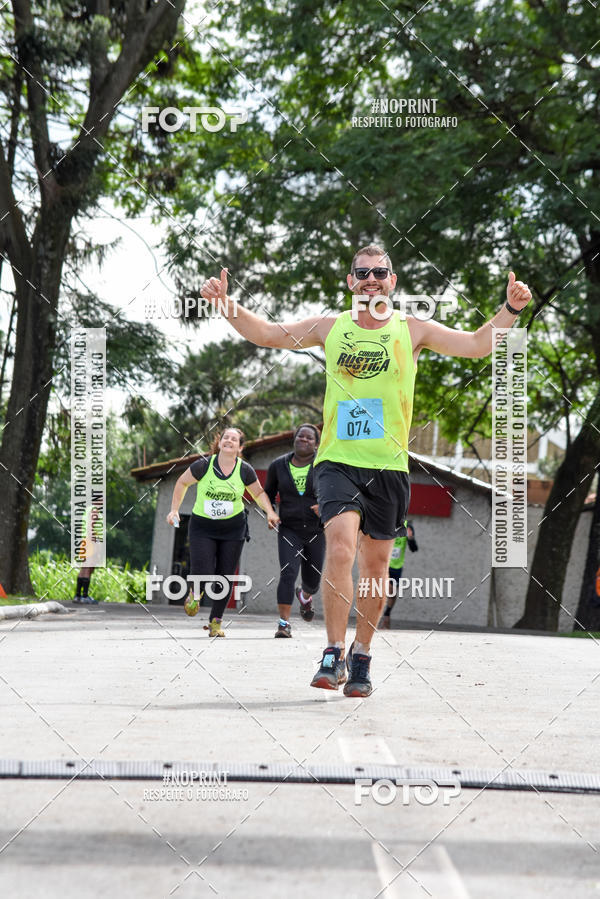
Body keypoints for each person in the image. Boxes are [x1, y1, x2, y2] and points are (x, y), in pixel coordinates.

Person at [200, 246, 531, 690]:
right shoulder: (331, 327)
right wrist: (225, 303)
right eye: (363, 272)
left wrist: (510, 308)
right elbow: (267, 333)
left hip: (390, 468)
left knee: (376, 568)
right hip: (338, 462)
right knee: (339, 549)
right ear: (351, 280)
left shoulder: (412, 329)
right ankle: (332, 653)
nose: (371, 278)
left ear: (392, 281)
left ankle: (362, 656)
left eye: (380, 272)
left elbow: (475, 345)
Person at [167, 427, 280, 636]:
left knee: (225, 576)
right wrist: (174, 509)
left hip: (232, 529)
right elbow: (182, 482)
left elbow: (258, 493)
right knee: (203, 570)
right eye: (225, 438)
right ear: (219, 444)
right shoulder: (203, 465)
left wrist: (270, 512)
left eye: (234, 439)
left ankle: (215, 623)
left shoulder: (245, 470)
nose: (229, 441)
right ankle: (195, 592)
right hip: (203, 527)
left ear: (240, 447)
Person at [264, 423, 325, 637]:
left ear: (316, 444)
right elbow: (267, 495)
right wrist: (270, 513)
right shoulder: (278, 465)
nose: (304, 440)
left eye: (309, 438)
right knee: (288, 573)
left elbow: (335, 491)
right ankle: (283, 624)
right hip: (289, 529)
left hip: (317, 530)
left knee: (313, 580)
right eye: (301, 436)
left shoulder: (324, 465)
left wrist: (324, 507)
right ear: (294, 438)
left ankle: (305, 597)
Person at [379, 520, 418, 629]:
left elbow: (414, 549)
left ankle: (387, 614)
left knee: (392, 592)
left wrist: (411, 538)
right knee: (381, 588)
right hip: (383, 563)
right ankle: (379, 615)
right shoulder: (386, 522)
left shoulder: (407, 527)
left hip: (396, 567)